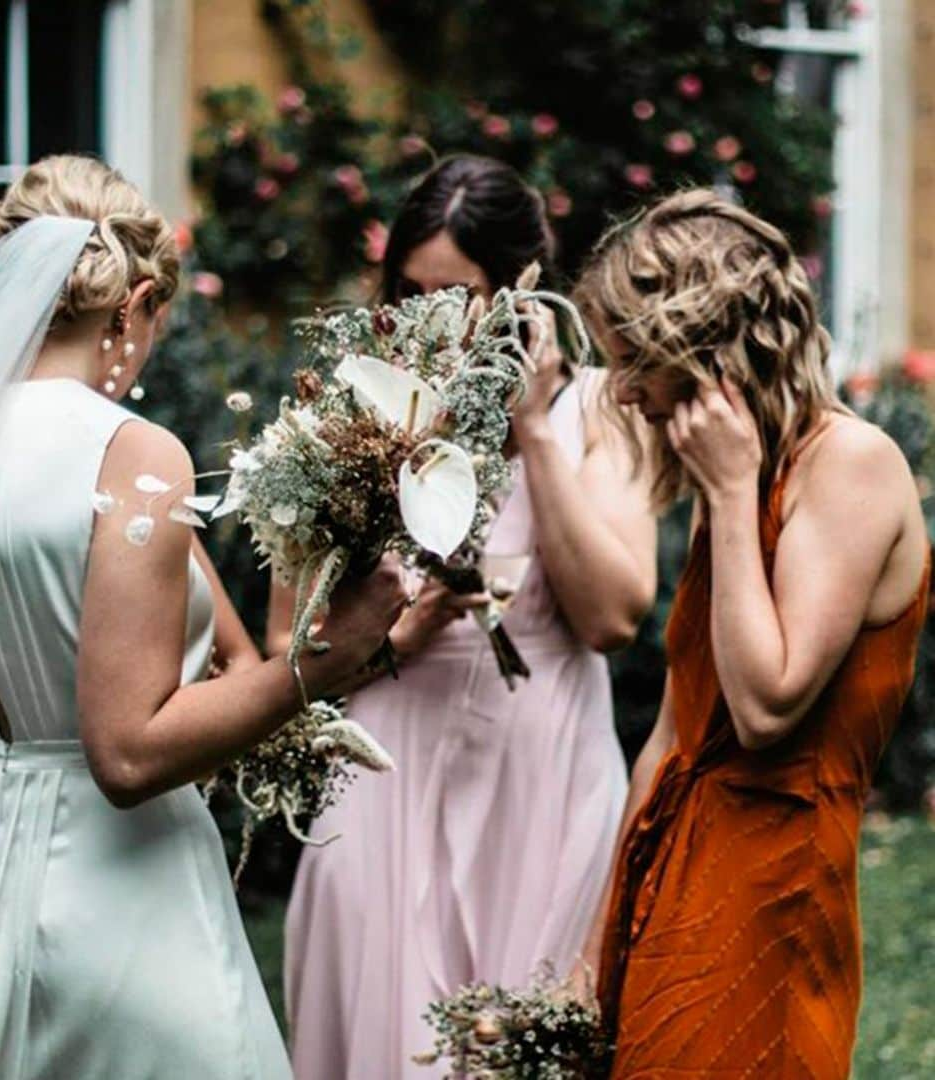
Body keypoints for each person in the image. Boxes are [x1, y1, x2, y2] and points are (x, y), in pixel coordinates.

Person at [0, 154, 405, 1080]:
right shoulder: (130, 453)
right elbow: (128, 750)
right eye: (156, 322)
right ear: (134, 301)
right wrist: (327, 660)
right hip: (110, 898)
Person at [271, 155, 657, 1079]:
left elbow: (612, 617)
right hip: (387, 764)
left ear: (524, 292)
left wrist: (531, 427)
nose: (430, 322)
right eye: (411, 294)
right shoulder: (353, 418)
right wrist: (402, 630)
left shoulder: (598, 410)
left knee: (519, 1045)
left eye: (461, 297)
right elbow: (290, 654)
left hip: (542, 769)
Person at [576, 188, 930, 1078]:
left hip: (773, 890)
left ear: (704, 350)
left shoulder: (848, 465)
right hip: (673, 868)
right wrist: (595, 944)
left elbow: (768, 707)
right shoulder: (736, 474)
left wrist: (732, 498)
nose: (621, 390)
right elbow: (668, 735)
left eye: (635, 363)